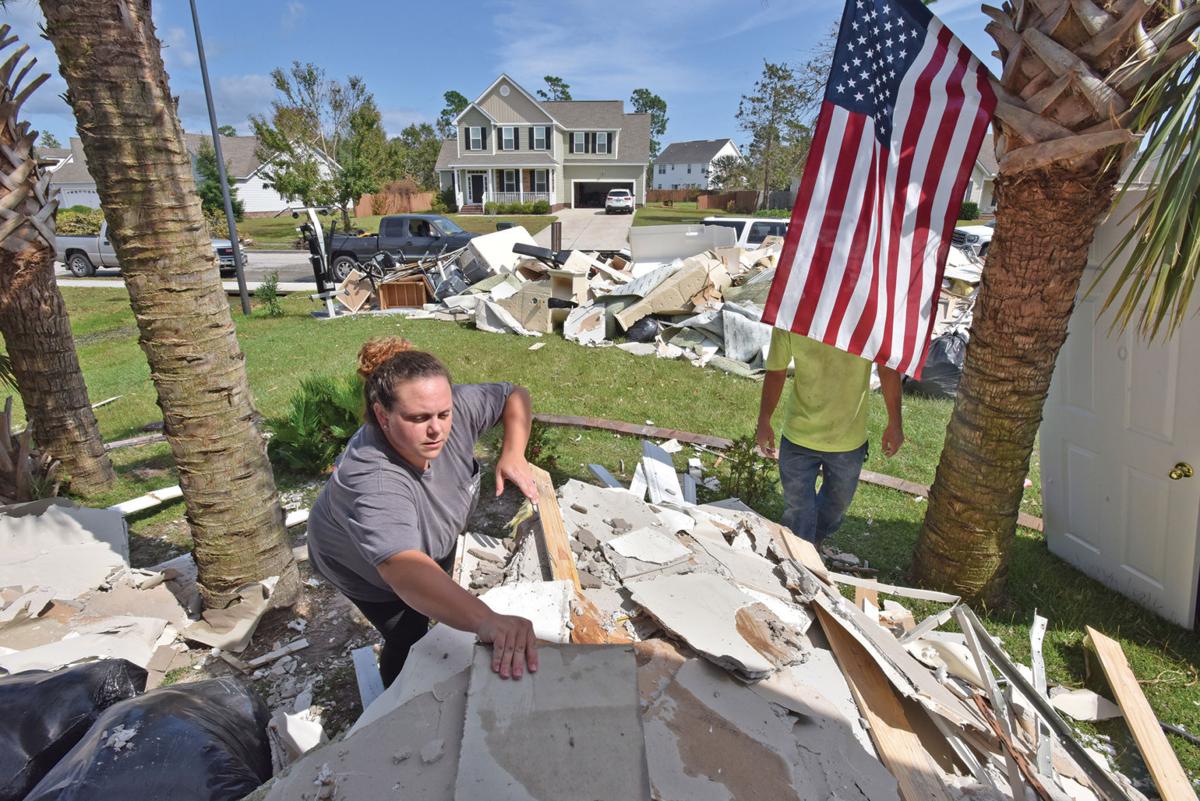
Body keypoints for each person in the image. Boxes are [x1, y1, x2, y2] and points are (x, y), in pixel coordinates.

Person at [306, 337, 540, 687]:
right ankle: (394, 703)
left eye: (443, 414)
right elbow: (405, 570)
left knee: (434, 598)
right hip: (361, 566)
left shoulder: (454, 409)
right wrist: (488, 620)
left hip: (422, 543)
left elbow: (514, 395)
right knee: (408, 632)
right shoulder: (374, 478)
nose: (437, 429)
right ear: (382, 416)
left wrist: (513, 452)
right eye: (418, 418)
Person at [756, 329, 905, 544]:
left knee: (837, 506)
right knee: (798, 508)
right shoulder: (792, 318)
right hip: (798, 435)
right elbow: (776, 371)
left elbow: (887, 369)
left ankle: (812, 542)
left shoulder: (871, 320)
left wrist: (895, 422)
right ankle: (802, 554)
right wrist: (764, 419)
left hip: (848, 441)